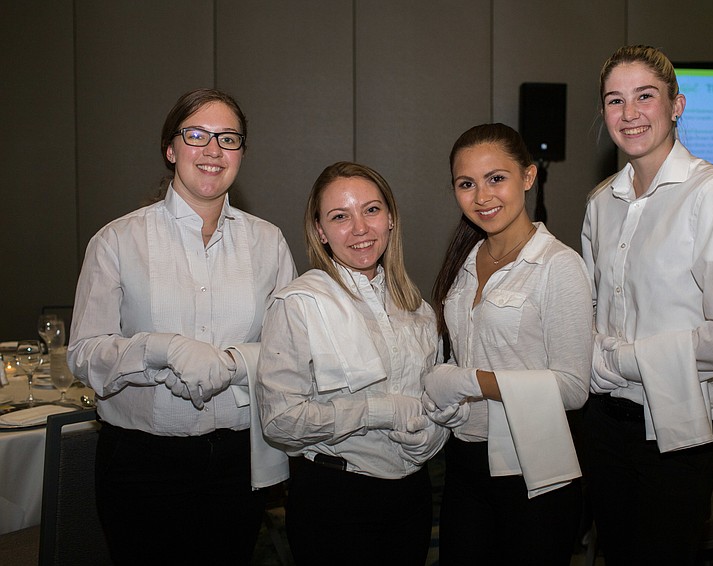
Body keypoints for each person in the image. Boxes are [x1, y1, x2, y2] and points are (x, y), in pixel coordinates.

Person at [67, 88, 297, 565]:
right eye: (197, 135)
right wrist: (159, 348)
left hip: (238, 459)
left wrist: (233, 362)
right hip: (140, 462)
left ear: (242, 153)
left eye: (228, 138)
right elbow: (83, 353)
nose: (213, 150)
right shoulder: (117, 240)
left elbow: (290, 353)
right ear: (171, 149)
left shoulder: (268, 243)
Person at [581, 45, 713, 565]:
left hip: (675, 425)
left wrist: (621, 359)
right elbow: (594, 309)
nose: (630, 113)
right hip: (602, 422)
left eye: (646, 96)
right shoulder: (601, 203)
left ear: (676, 105)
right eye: (615, 101)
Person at [255, 161, 448, 565]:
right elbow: (280, 422)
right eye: (340, 216)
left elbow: (434, 399)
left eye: (372, 210)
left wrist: (434, 436)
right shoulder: (300, 304)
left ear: (391, 219)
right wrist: (380, 411)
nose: (360, 228)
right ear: (321, 231)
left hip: (412, 495)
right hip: (335, 499)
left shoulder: (417, 309)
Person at [426, 123, 593, 564]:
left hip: (533, 467)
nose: (482, 197)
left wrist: (471, 381)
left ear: (528, 176)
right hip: (464, 462)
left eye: (496, 178)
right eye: (467, 184)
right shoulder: (463, 259)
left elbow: (574, 388)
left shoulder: (559, 266)